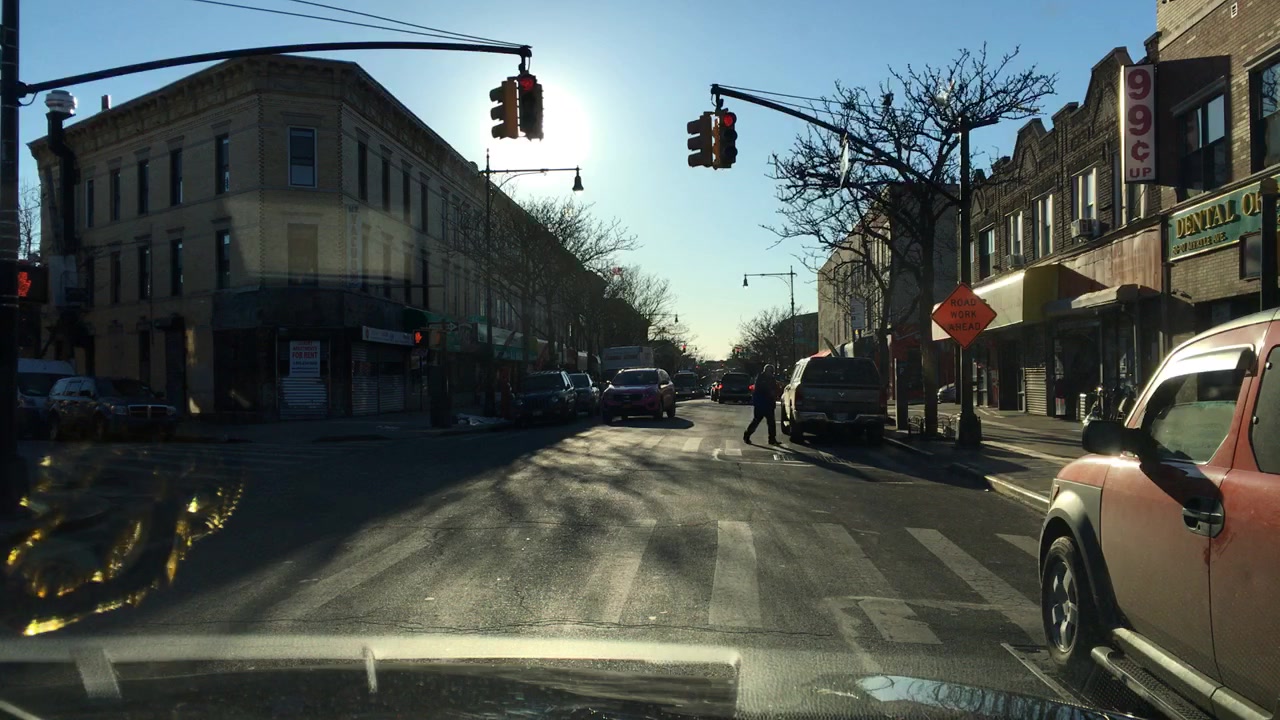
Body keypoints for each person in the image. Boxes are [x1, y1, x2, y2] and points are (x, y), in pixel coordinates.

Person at [744, 363, 781, 445]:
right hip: (761, 403)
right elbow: (762, 389)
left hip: (769, 403)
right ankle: (747, 435)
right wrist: (771, 392)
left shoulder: (771, 379)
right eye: (770, 371)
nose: (770, 373)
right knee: (756, 421)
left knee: (771, 423)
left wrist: (775, 393)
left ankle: (772, 439)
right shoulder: (761, 378)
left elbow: (774, 389)